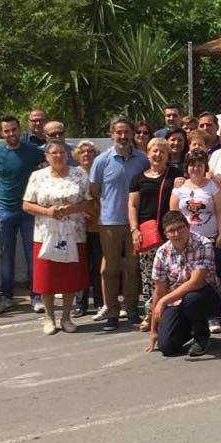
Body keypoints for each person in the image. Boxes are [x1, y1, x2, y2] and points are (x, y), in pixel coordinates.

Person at [22, 142, 92, 335]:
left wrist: (72, 209)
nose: (58, 156)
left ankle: (66, 317)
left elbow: (88, 202)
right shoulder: (37, 176)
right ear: (47, 156)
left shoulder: (79, 174)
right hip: (45, 235)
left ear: (67, 154)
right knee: (47, 278)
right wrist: (47, 211)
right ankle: (49, 318)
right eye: (54, 153)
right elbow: (26, 205)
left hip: (73, 233)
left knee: (69, 277)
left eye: (62, 152)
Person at [90, 116, 150, 330]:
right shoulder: (102, 161)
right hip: (110, 223)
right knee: (111, 269)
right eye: (119, 132)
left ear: (133, 134)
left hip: (136, 223)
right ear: (111, 134)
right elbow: (95, 192)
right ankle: (112, 312)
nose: (123, 136)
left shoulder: (143, 160)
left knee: (133, 268)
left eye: (127, 132)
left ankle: (132, 309)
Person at [0, 115, 46, 313]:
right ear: (2, 133)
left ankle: (36, 296)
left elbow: (49, 168)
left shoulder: (33, 152)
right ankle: (6, 297)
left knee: (32, 254)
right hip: (5, 212)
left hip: (29, 211)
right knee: (6, 255)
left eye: (14, 129)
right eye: (7, 131)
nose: (11, 134)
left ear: (19, 129)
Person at [146, 211, 221, 357]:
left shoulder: (203, 244)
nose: (176, 234)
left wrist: (164, 301)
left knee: (191, 298)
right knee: (167, 347)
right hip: (175, 301)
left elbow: (196, 282)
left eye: (180, 228)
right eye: (171, 230)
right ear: (165, 233)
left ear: (188, 227)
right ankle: (191, 328)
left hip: (205, 296)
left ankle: (202, 336)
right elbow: (159, 290)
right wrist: (153, 330)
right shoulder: (162, 253)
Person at [170, 150, 221, 332]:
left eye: (200, 165)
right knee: (188, 280)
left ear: (205, 167)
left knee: (210, 280)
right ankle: (192, 317)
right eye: (192, 164)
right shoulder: (179, 188)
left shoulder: (213, 186)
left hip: (208, 240)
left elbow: (220, 211)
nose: (196, 168)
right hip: (186, 243)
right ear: (187, 167)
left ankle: (214, 316)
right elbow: (173, 216)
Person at [129, 138, 179, 331]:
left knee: (173, 275)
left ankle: (169, 313)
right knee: (149, 276)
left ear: (168, 155)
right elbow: (132, 205)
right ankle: (150, 313)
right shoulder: (138, 178)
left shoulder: (176, 174)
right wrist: (134, 229)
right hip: (147, 235)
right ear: (148, 154)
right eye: (154, 151)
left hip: (171, 234)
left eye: (162, 152)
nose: (158, 155)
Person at [71, 141, 103, 317]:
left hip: (98, 227)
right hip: (77, 227)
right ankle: (80, 304)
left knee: (98, 265)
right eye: (82, 151)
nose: (86, 154)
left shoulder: (100, 173)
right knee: (80, 266)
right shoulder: (72, 174)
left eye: (90, 151)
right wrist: (80, 212)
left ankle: (99, 302)